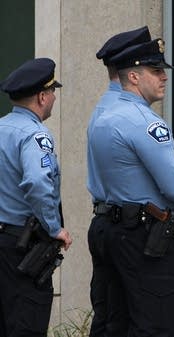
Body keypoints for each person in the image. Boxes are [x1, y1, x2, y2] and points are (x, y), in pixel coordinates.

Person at [88, 38, 174, 337]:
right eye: (155, 70)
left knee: (113, 324)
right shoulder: (144, 120)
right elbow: (173, 184)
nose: (164, 76)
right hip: (141, 236)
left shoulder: (103, 114)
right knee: (154, 323)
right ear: (134, 77)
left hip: (110, 227)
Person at [0, 58, 72, 337]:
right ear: (42, 97)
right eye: (53, 91)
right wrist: (54, 228)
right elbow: (37, 181)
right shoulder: (35, 134)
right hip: (22, 247)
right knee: (27, 325)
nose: (54, 97)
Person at [87, 26, 151, 337]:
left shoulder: (104, 107)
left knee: (109, 319)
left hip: (106, 220)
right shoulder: (127, 111)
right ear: (133, 69)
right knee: (137, 319)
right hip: (128, 226)